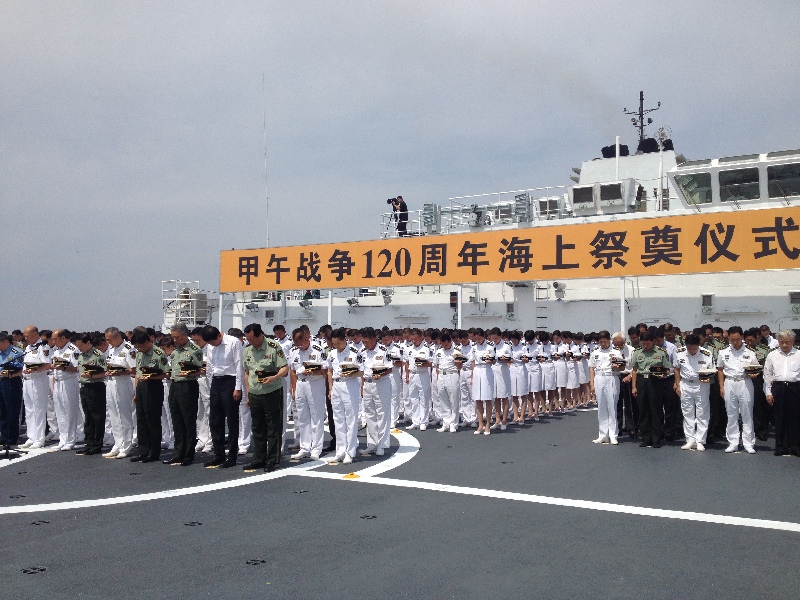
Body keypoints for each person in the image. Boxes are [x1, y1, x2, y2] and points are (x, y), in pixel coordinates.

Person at [242, 323, 288, 472]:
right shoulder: (247, 350)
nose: (249, 341)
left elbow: (285, 368)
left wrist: (274, 377)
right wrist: (248, 393)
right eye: (247, 338)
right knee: (257, 427)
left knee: (273, 426)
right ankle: (258, 458)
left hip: (272, 391)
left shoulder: (273, 347)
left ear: (260, 335)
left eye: (251, 338)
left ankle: (272, 459)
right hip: (255, 393)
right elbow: (247, 373)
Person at [201, 325, 244, 468]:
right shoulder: (210, 346)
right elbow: (209, 367)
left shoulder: (233, 342)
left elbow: (239, 366)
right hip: (216, 382)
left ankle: (232, 456)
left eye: (214, 342)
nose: (212, 345)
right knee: (215, 420)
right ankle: (219, 454)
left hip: (230, 381)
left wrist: (238, 387)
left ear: (219, 335)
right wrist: (209, 386)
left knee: (231, 421)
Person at [164, 324, 204, 466]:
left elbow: (200, 370)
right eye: (173, 337)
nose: (174, 340)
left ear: (184, 335)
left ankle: (188, 454)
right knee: (176, 420)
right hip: (174, 385)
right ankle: (177, 453)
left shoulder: (194, 350)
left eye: (177, 337)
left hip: (187, 385)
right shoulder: (175, 351)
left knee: (188, 420)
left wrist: (189, 373)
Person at [717, 326, 760, 454]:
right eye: (732, 339)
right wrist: (721, 386)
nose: (735, 342)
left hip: (744, 382)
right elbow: (720, 369)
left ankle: (748, 442)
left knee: (747, 412)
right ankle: (733, 442)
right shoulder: (723, 352)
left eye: (737, 339)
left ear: (742, 337)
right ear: (728, 338)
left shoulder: (750, 352)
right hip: (729, 381)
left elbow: (755, 369)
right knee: (731, 413)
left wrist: (754, 374)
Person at [130, 329, 170, 463]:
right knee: (141, 420)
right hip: (142, 386)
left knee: (152, 420)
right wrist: (136, 392)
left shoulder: (159, 353)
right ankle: (143, 451)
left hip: (153, 387)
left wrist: (152, 377)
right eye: (137, 347)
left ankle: (154, 452)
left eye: (140, 346)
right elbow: (137, 373)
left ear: (148, 341)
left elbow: (166, 373)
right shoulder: (140, 354)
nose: (139, 349)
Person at [288, 327, 328, 460]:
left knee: (316, 417)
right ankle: (304, 447)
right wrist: (293, 388)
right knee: (302, 417)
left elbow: (324, 370)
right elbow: (292, 371)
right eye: (296, 344)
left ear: (306, 339)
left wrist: (312, 371)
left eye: (301, 343)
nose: (299, 346)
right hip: (300, 384)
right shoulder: (294, 351)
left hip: (315, 383)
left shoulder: (318, 349)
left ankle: (316, 448)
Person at [326, 327, 363, 464]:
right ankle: (340, 450)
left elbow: (362, 372)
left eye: (337, 343)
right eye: (333, 344)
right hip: (336, 386)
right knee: (338, 419)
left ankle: (350, 451)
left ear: (344, 340)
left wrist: (351, 373)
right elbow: (329, 371)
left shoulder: (355, 352)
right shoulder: (332, 353)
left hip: (350, 385)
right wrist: (330, 389)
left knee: (351, 419)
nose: (335, 346)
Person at [631, 332, 673, 448]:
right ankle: (646, 438)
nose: (645, 346)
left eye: (647, 343)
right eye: (643, 343)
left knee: (656, 410)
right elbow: (634, 370)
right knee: (643, 410)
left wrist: (663, 375)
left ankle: (656, 438)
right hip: (641, 381)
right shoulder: (637, 352)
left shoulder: (661, 352)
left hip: (655, 381)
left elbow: (667, 369)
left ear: (653, 342)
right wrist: (634, 386)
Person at [673, 334, 714, 451]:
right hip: (685, 383)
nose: (692, 351)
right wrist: (677, 384)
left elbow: (711, 370)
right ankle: (690, 439)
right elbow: (676, 368)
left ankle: (700, 440)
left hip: (701, 384)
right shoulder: (679, 352)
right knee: (687, 412)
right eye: (689, 348)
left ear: (699, 345)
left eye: (694, 348)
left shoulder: (706, 354)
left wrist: (708, 378)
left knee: (702, 412)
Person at [763, 330, 800, 456]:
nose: (784, 345)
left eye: (787, 342)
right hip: (778, 387)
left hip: (795, 388)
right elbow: (767, 375)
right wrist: (768, 392)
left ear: (793, 342)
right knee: (779, 417)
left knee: (795, 417)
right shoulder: (772, 355)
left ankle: (795, 446)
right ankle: (781, 446)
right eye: (782, 342)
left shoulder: (798, 354)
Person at [103, 327, 137, 459]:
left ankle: (126, 445)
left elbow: (133, 370)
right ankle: (117, 444)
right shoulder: (111, 349)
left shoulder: (129, 348)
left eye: (110, 339)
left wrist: (120, 372)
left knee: (124, 415)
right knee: (113, 415)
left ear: (118, 337)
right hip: (111, 382)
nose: (108, 342)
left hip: (123, 382)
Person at [359, 327, 392, 452]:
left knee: (382, 414)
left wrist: (381, 374)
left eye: (367, 341)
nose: (365, 344)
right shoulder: (362, 352)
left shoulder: (384, 350)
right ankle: (372, 443)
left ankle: (381, 445)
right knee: (369, 414)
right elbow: (362, 370)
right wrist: (362, 387)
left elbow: (389, 368)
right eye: (363, 341)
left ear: (374, 339)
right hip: (367, 384)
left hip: (381, 384)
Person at [74, 332, 107, 455]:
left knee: (97, 417)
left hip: (95, 386)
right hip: (84, 386)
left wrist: (92, 375)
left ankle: (97, 444)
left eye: (81, 346)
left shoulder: (98, 355)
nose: (79, 349)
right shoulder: (81, 356)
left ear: (88, 343)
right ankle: (88, 443)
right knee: (87, 417)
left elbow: (104, 372)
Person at [588, 330, 624, 444]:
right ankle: (603, 434)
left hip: (612, 377)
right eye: (600, 342)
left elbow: (622, 367)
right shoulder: (595, 352)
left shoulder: (616, 352)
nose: (603, 344)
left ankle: (613, 435)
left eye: (605, 341)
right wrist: (592, 384)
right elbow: (592, 368)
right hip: (599, 378)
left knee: (612, 407)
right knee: (602, 407)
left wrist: (617, 366)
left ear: (609, 340)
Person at [20, 325, 51, 449]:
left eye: (27, 335)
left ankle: (39, 438)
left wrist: (35, 370)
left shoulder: (43, 347)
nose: (25, 337)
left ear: (35, 334)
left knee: (38, 410)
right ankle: (31, 436)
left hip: (38, 380)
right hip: (27, 381)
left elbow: (47, 365)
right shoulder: (28, 347)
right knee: (29, 409)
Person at [50, 329, 81, 451]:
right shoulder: (56, 351)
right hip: (58, 382)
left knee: (69, 411)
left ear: (63, 338)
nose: (53, 341)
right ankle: (63, 439)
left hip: (69, 382)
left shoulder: (73, 350)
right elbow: (54, 370)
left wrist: (64, 367)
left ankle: (70, 439)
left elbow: (76, 368)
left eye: (55, 338)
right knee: (60, 412)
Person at [0, 333, 25, 448]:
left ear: (6, 342)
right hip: (1, 382)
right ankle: (4, 436)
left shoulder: (16, 352)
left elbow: (20, 369)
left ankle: (11, 438)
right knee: (2, 411)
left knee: (12, 410)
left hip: (11, 382)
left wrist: (10, 374)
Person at [404, 328, 432, 431]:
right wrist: (407, 375)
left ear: (421, 337)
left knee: (424, 398)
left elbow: (431, 363)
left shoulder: (426, 348)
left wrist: (424, 363)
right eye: (412, 339)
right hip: (412, 374)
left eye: (416, 339)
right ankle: (415, 421)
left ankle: (424, 421)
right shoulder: (409, 348)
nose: (414, 341)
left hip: (422, 374)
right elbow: (406, 362)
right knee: (413, 398)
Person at [433, 332, 460, 433]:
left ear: (450, 342)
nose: (444, 346)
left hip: (452, 374)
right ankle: (446, 422)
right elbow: (436, 365)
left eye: (446, 344)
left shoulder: (457, 350)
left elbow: (460, 366)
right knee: (443, 399)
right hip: (441, 375)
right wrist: (438, 377)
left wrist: (458, 363)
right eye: (443, 344)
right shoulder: (439, 351)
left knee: (453, 399)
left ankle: (453, 423)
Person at [470, 328, 496, 435]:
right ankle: (480, 424)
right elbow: (472, 362)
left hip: (486, 370)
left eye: (479, 338)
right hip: (477, 371)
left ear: (483, 336)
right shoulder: (474, 347)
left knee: (487, 399)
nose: (477, 340)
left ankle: (488, 424)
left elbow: (494, 360)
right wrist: (472, 376)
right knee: (478, 400)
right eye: (476, 339)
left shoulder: (490, 346)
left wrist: (491, 361)